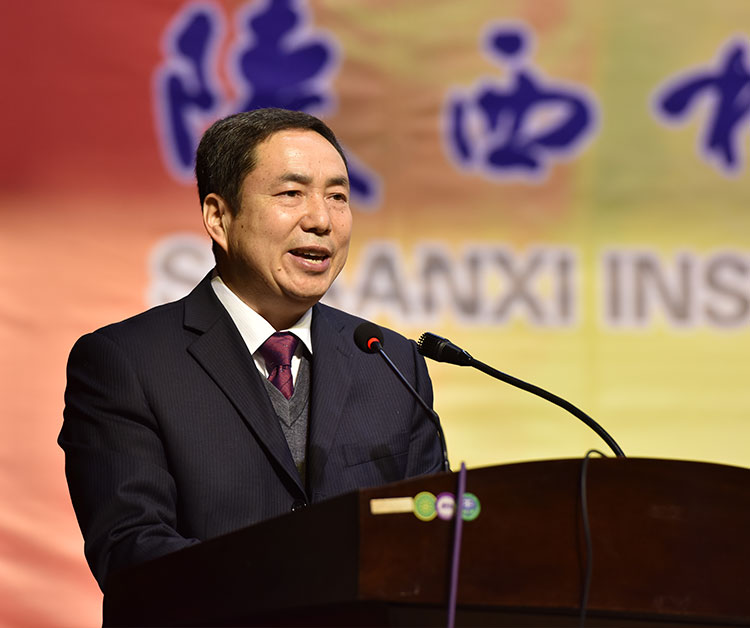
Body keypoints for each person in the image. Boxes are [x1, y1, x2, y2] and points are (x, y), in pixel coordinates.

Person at [59, 108, 444, 590]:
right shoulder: (126, 363)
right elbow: (132, 550)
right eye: (291, 194)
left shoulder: (389, 361)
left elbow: (432, 532)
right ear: (218, 217)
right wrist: (302, 584)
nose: (321, 220)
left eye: (338, 196)